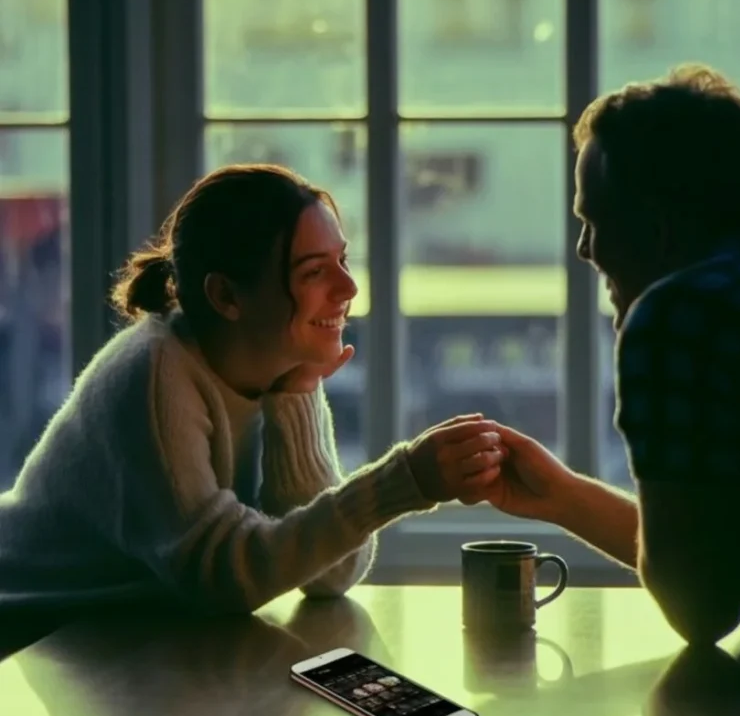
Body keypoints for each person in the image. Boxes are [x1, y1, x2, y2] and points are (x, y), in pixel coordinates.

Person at [0, 164, 503, 625]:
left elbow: (330, 576)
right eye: (313, 271)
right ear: (226, 296)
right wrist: (405, 481)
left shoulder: (273, 368)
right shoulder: (155, 373)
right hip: (32, 642)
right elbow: (223, 576)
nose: (348, 287)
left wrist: (298, 392)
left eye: (342, 260)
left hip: (126, 639)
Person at [470, 65, 740, 646]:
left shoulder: (683, 314)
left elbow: (704, 609)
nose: (584, 250)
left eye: (593, 221)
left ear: (656, 227)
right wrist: (565, 498)